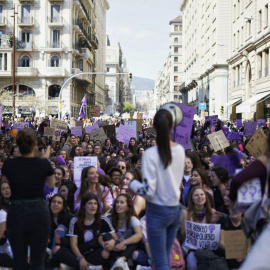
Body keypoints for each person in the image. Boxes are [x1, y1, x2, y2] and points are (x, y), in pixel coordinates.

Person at [130, 104, 185, 270]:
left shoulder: (149, 154)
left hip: (158, 212)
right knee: (165, 259)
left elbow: (148, 191)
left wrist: (132, 183)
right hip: (174, 210)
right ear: (173, 126)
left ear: (153, 127)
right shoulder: (181, 150)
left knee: (160, 261)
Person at [1, 128, 55, 269]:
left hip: (16, 211)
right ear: (35, 144)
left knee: (19, 260)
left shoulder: (9, 164)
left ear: (17, 145)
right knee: (38, 261)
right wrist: (44, 160)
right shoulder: (43, 164)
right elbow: (51, 183)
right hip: (39, 212)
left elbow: (7, 180)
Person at [53, 193, 117, 269]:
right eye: (90, 203)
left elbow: (115, 237)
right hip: (79, 251)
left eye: (95, 203)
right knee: (56, 249)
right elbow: (73, 245)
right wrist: (80, 258)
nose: (93, 206)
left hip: (94, 252)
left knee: (106, 253)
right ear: (84, 206)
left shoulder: (103, 219)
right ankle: (90, 268)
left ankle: (72, 267)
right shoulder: (75, 221)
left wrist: (112, 241)